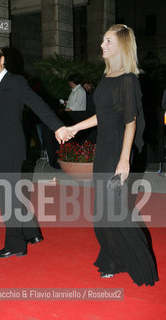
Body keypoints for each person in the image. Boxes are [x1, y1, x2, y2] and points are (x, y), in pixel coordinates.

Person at [0, 44, 73, 259]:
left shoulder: (15, 82)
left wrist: (57, 126)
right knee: (11, 192)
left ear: (2, 60)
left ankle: (15, 244)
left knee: (6, 195)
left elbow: (38, 104)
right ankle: (32, 232)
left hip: (11, 147)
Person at [69, 24, 159, 286]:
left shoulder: (128, 80)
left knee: (116, 214)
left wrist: (124, 159)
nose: (102, 45)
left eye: (108, 41)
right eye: (102, 40)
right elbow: (102, 116)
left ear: (122, 45)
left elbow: (130, 121)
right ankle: (112, 259)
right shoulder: (107, 77)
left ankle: (141, 267)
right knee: (102, 214)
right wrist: (75, 127)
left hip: (116, 153)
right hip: (103, 152)